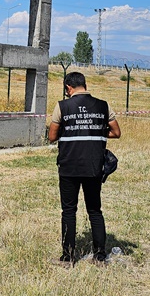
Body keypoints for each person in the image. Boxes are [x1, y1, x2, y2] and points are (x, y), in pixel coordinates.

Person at [47, 71, 121, 265]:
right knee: (95, 210)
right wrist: (96, 131)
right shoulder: (103, 106)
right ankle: (99, 256)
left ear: (68, 88)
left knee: (69, 211)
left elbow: (52, 136)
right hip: (93, 166)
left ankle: (68, 257)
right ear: (85, 86)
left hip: (69, 165)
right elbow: (116, 132)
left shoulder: (62, 106)